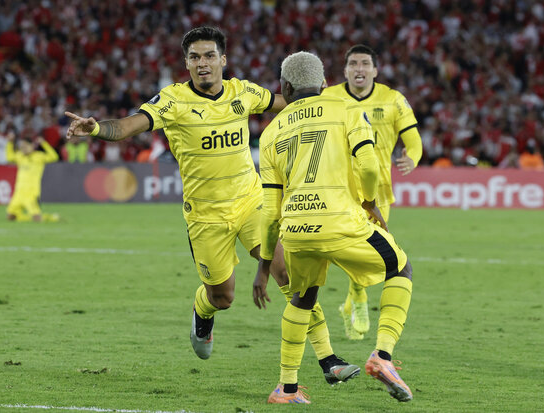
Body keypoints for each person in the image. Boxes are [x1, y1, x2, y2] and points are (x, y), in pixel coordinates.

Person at [64, 26, 358, 384]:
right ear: (187, 63)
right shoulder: (173, 101)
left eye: (208, 56)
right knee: (223, 297)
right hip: (206, 216)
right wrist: (96, 129)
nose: (202, 63)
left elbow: (293, 101)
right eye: (194, 57)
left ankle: (329, 360)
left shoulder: (243, 92)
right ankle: (202, 312)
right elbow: (127, 126)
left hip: (251, 202)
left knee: (289, 273)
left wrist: (329, 101)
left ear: (223, 60)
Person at [255, 51, 415, 404]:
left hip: (295, 229)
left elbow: (269, 212)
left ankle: (287, 388)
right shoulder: (345, 109)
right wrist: (369, 202)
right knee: (400, 267)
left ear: (284, 87)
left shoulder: (269, 134)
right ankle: (382, 356)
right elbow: (369, 166)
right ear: (325, 84)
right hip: (340, 220)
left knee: (303, 298)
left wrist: (264, 265)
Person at [322, 45, 422, 340]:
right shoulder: (328, 97)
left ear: (375, 70)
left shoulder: (393, 100)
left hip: (377, 191)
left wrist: (413, 158)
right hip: (339, 187)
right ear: (345, 71)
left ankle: (353, 301)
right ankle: (359, 300)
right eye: (353, 63)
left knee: (370, 248)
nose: (359, 68)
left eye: (365, 63)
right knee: (346, 247)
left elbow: (414, 141)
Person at [5, 131, 60, 222]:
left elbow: (54, 157)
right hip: (19, 193)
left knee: (37, 218)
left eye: (25, 146)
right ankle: (28, 218)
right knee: (10, 217)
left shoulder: (39, 156)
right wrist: (10, 143)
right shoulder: (20, 156)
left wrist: (43, 143)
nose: (23, 149)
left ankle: (50, 218)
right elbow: (9, 157)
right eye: (22, 147)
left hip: (31, 193)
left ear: (32, 146)